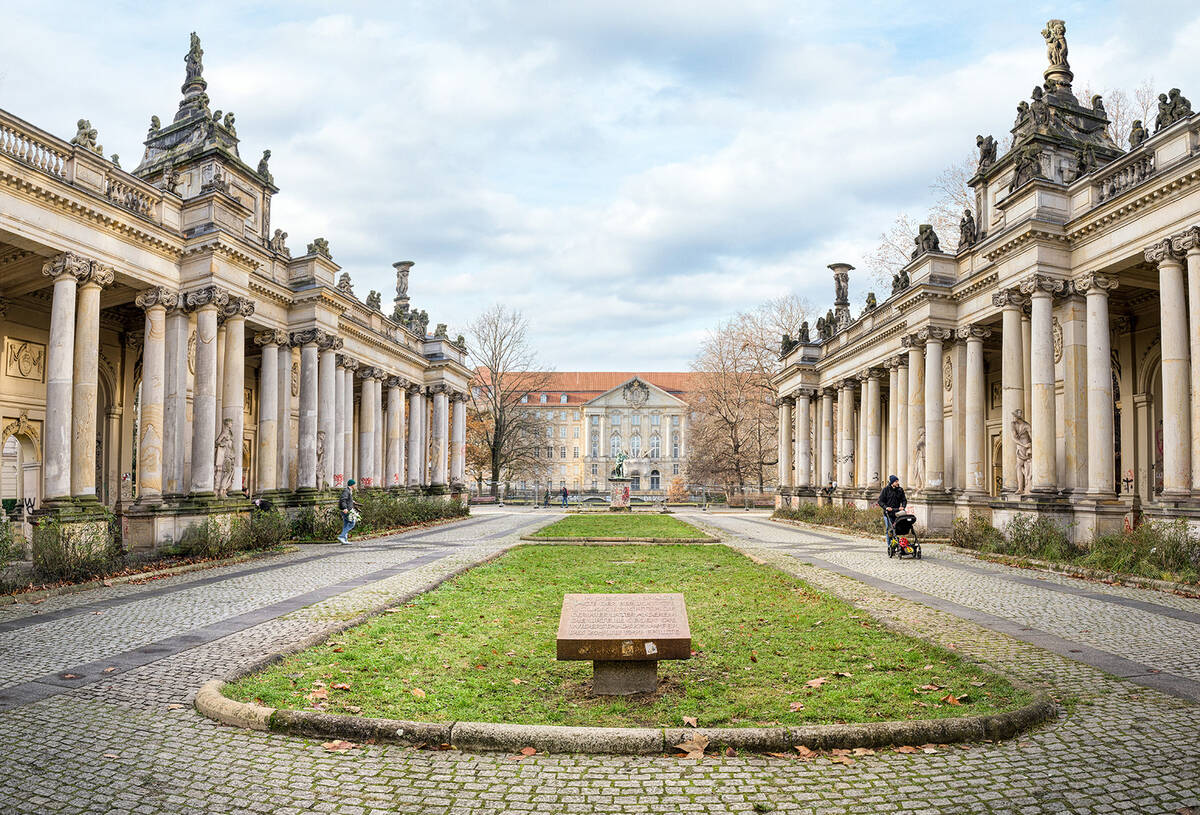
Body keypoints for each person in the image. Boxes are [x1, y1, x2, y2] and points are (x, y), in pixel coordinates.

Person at [876, 475, 907, 547]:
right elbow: (880, 501)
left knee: (896, 529)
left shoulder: (900, 490)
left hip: (897, 513)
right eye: (896, 481)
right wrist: (886, 507)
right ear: (892, 482)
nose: (897, 483)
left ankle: (895, 542)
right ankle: (890, 545)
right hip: (888, 513)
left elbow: (904, 500)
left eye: (897, 481)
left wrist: (903, 506)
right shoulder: (885, 490)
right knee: (889, 529)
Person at [337, 478, 357, 545]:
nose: (355, 486)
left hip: (346, 509)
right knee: (352, 523)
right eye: (354, 484)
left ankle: (344, 540)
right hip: (346, 510)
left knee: (346, 524)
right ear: (352, 485)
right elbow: (343, 500)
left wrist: (352, 501)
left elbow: (347, 499)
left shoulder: (349, 491)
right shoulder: (346, 491)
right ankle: (341, 536)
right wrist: (345, 508)